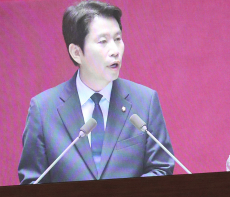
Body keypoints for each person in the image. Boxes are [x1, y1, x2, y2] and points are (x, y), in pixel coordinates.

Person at [18, 0, 175, 184]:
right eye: (103, 41)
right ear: (76, 52)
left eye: (118, 39)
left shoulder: (145, 102)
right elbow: (32, 183)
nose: (115, 50)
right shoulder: (43, 110)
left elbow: (162, 169)